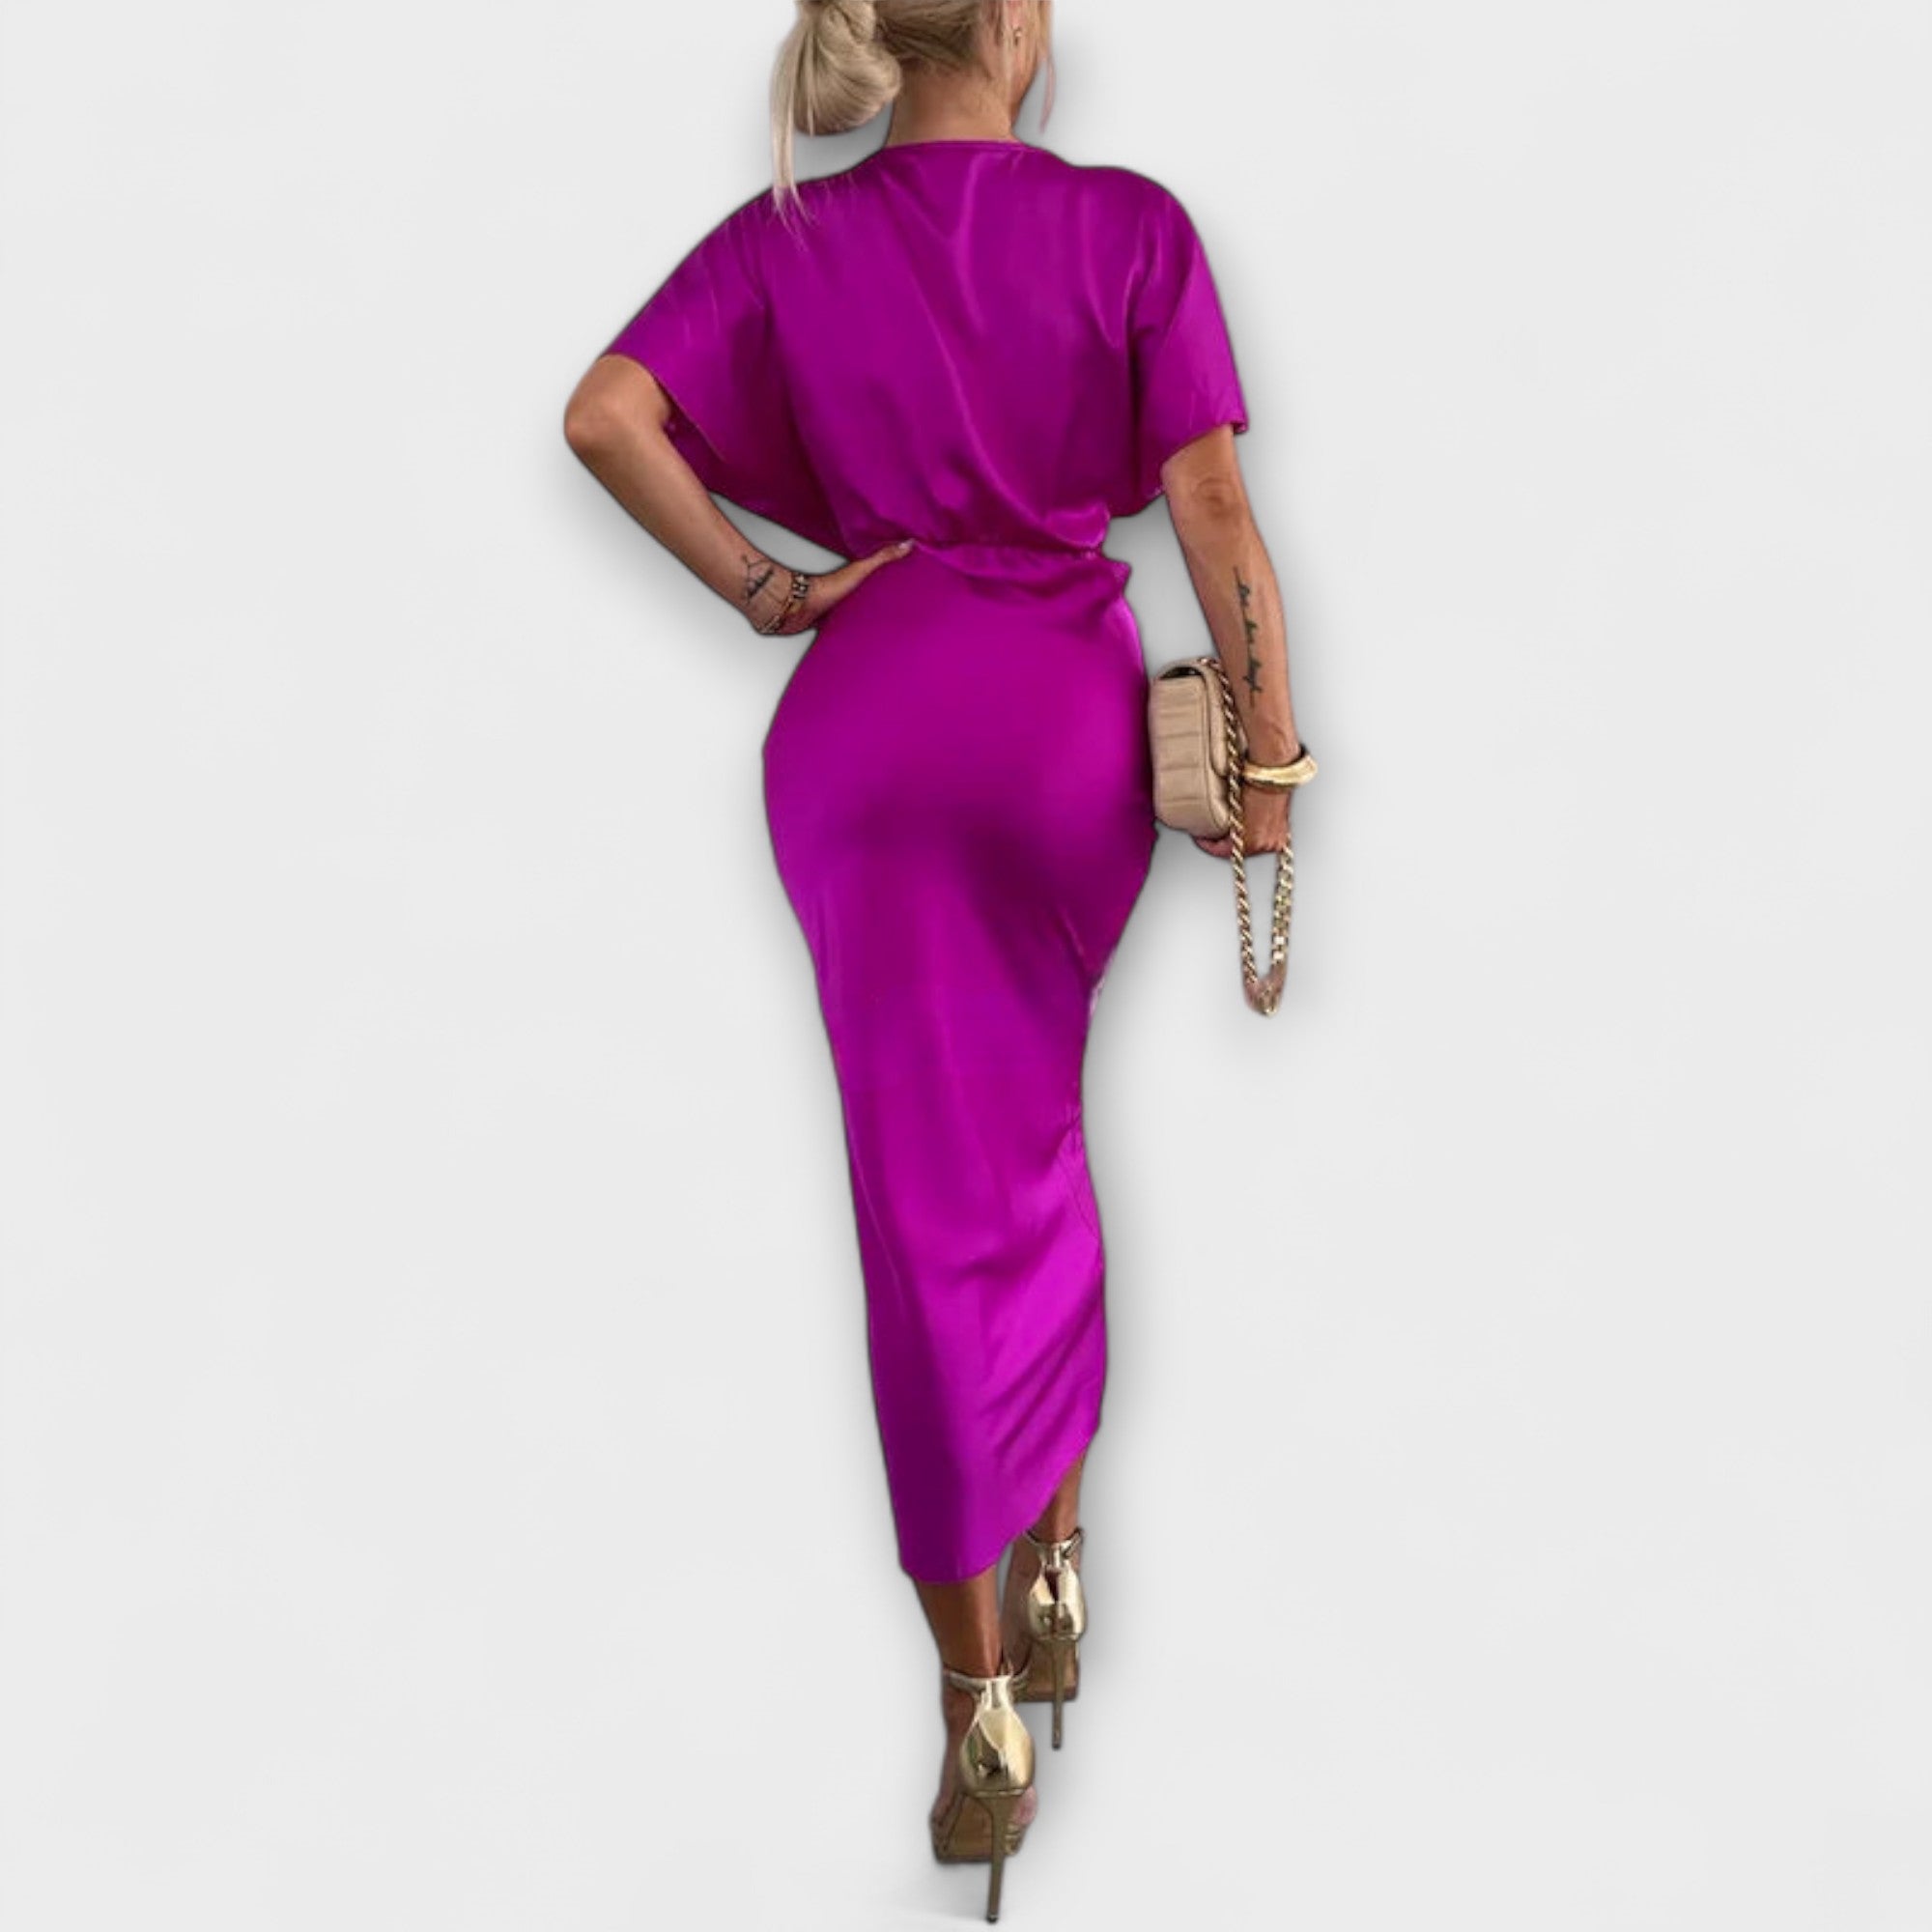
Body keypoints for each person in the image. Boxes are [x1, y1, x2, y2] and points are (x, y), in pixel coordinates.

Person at [563, 1, 1304, 1917]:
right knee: (1028, 1140)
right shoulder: (1130, 227)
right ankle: (1052, 1569)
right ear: (1016, 23)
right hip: (1058, 744)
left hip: (868, 742)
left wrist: (775, 593)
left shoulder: (786, 239)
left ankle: (977, 1708)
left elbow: (604, 415)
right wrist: (1274, 764)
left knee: (921, 1191)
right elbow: (1215, 513)